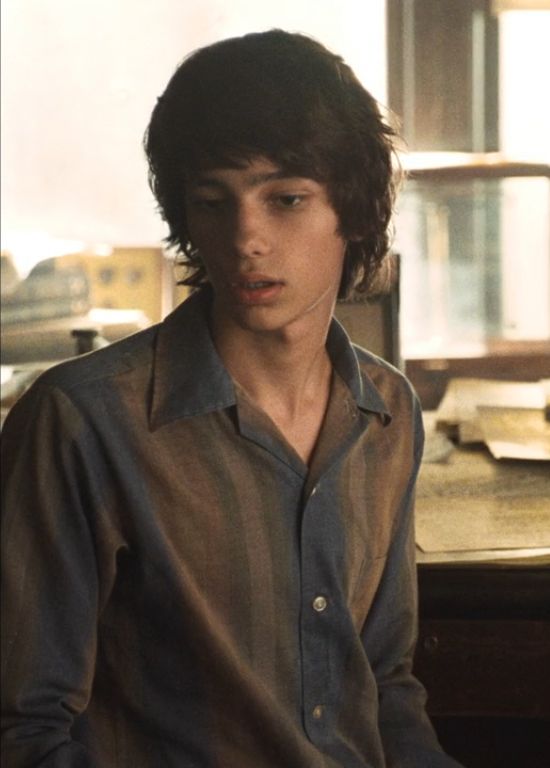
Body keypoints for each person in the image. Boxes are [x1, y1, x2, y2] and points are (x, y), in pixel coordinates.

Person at [1, 29, 463, 768]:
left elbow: (382, 685)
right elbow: (22, 730)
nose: (246, 236)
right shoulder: (83, 422)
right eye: (214, 202)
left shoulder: (388, 410)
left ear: (353, 208)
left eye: (285, 198)